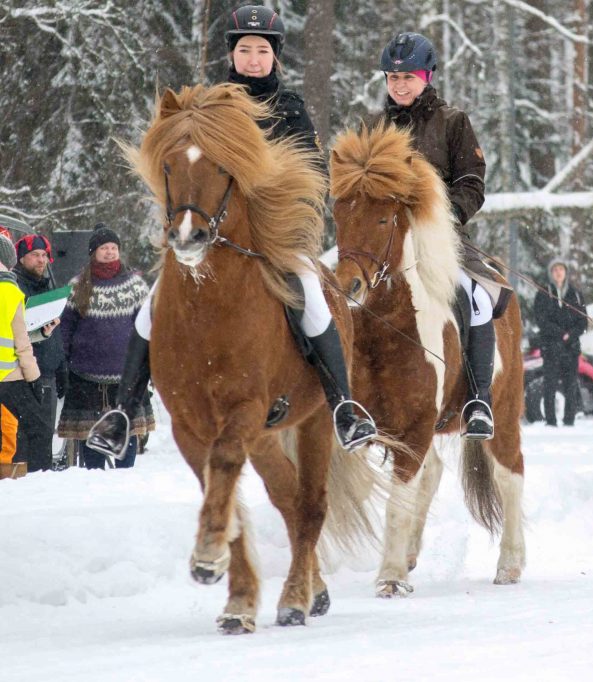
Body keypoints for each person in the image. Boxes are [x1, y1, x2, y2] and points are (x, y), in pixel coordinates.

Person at [87, 5, 375, 458]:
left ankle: (343, 405)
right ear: (231, 54)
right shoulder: (209, 107)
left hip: (273, 238)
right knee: (154, 301)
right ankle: (122, 411)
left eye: (262, 51)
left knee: (310, 293)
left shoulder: (289, 108)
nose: (253, 59)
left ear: (275, 56)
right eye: (245, 50)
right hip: (210, 236)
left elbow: (315, 174)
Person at [366, 32, 494, 439]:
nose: (400, 85)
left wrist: (443, 216)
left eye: (408, 77)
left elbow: (472, 183)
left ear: (427, 76)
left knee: (476, 297)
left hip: (440, 239)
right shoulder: (373, 127)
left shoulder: (453, 122)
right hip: (382, 241)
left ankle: (478, 400)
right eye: (393, 78)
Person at [58, 226, 154, 469]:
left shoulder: (135, 286)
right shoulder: (78, 285)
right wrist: (63, 364)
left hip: (127, 378)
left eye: (113, 248)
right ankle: (95, 483)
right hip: (85, 379)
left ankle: (123, 483)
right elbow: (65, 330)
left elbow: (147, 328)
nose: (110, 252)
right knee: (92, 449)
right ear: (94, 252)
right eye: (104, 248)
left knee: (126, 438)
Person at [12, 234, 68, 469]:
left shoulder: (46, 285)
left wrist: (61, 368)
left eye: (44, 255)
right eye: (35, 255)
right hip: (23, 377)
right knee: (24, 443)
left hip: (47, 375)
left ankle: (40, 479)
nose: (41, 260)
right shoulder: (14, 287)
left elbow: (54, 335)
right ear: (21, 258)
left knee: (44, 439)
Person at [0, 235, 50, 473]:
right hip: (9, 378)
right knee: (38, 429)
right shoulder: (11, 292)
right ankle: (35, 480)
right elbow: (22, 344)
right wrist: (34, 378)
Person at [533, 258, 587, 426]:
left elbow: (583, 322)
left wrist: (571, 334)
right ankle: (551, 421)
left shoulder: (575, 294)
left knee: (571, 385)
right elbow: (540, 319)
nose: (558, 273)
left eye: (561, 269)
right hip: (550, 347)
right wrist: (559, 333)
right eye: (555, 270)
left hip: (571, 347)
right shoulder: (543, 293)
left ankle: (569, 420)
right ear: (551, 273)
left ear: (566, 272)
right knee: (550, 385)